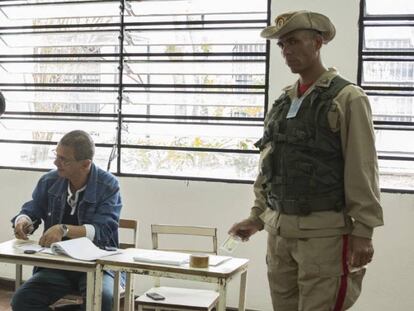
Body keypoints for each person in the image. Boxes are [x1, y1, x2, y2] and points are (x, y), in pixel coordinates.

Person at [229, 10, 384, 311]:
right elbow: (271, 164)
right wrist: (257, 217)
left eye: (295, 42)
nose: (287, 51)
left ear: (318, 42)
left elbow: (362, 167)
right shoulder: (283, 101)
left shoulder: (348, 98)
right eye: (283, 45)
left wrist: (363, 232)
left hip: (323, 236)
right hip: (279, 235)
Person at [11, 130, 122, 311]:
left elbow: (103, 229)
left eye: (64, 159)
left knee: (103, 301)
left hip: (97, 265)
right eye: (56, 156)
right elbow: (33, 208)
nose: (56, 163)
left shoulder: (109, 185)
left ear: (85, 164)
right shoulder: (49, 181)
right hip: (58, 263)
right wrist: (23, 220)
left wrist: (63, 229)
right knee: (22, 301)